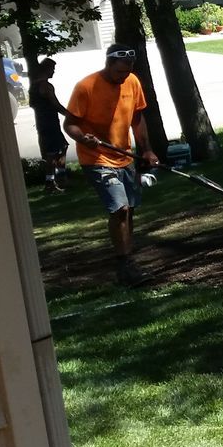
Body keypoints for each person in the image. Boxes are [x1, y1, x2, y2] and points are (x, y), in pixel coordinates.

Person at [63, 45, 159, 286]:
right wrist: (83, 137)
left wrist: (146, 149)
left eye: (127, 73)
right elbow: (70, 124)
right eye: (119, 72)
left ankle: (128, 257)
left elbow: (137, 118)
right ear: (108, 64)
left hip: (125, 156)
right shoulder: (86, 87)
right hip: (96, 159)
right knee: (120, 209)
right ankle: (125, 264)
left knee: (130, 209)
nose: (123, 77)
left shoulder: (132, 82)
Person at [30, 57, 70, 193]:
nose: (53, 72)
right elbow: (56, 105)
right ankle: (55, 181)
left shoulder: (33, 87)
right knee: (54, 153)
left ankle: (55, 180)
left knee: (60, 148)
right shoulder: (46, 86)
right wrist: (71, 115)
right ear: (46, 70)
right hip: (50, 122)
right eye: (52, 69)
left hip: (41, 123)